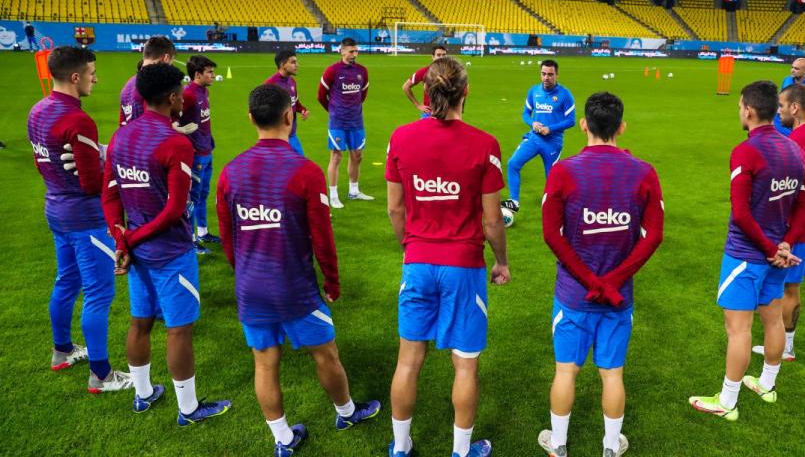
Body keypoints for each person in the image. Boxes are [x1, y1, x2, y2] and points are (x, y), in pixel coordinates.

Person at [217, 84, 381, 456]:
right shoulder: (305, 171)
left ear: (250, 119)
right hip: (294, 287)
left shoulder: (230, 172)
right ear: (289, 117)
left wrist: (241, 270)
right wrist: (333, 281)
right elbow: (322, 238)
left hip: (250, 285)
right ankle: (347, 412)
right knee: (325, 353)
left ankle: (283, 439)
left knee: (265, 363)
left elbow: (228, 237)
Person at [384, 57, 509, 457]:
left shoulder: (400, 138)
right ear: (465, 91)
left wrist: (411, 247)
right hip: (463, 268)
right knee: (465, 364)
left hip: (417, 263)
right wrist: (502, 261)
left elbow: (395, 209)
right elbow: (492, 222)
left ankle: (401, 448)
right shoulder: (485, 144)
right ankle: (461, 451)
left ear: (427, 92)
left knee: (408, 361)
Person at [102, 62, 231, 424]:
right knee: (178, 330)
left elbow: (109, 194)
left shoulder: (120, 137)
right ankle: (188, 409)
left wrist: (122, 239)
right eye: (181, 94)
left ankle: (143, 394)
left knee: (139, 322)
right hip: (171, 251)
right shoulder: (177, 143)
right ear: (174, 97)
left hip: (137, 252)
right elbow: (176, 209)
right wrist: (131, 238)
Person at [538, 92, 664, 457]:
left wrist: (592, 282)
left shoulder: (563, 170)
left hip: (574, 294)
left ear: (583, 125)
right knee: (612, 373)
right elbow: (654, 235)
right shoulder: (644, 171)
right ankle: (610, 447)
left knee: (566, 371)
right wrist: (610, 282)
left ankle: (558, 444)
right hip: (617, 296)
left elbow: (551, 234)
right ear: (621, 128)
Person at [689, 80, 804, 421]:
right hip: (777, 256)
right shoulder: (794, 149)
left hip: (747, 255)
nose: (739, 111)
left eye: (740, 107)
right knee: (773, 321)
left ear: (750, 111)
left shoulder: (746, 151)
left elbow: (740, 213)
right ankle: (766, 384)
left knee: (738, 330)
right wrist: (785, 245)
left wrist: (771, 248)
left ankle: (727, 401)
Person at [27, 46, 132, 393]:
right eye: (91, 73)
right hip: (85, 218)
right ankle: (101, 375)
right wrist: (107, 164)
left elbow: (42, 161)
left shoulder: (37, 110)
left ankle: (62, 351)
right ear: (75, 77)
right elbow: (91, 184)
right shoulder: (77, 119)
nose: (96, 78)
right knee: (99, 294)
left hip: (55, 210)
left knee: (66, 282)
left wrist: (96, 152)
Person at [753, 83, 805, 363]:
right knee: (791, 288)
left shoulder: (799, 140)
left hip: (800, 227)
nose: (779, 112)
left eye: (782, 107)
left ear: (795, 108)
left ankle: (785, 346)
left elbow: (792, 188)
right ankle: (786, 344)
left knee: (788, 288)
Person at [502, 60, 576, 216]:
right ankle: (513, 202)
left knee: (552, 178)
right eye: (543, 74)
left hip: (553, 143)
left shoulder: (564, 94)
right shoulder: (534, 91)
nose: (546, 77)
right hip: (534, 139)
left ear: (557, 75)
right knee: (512, 164)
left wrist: (551, 129)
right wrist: (532, 123)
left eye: (550, 74)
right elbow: (525, 114)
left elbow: (571, 121)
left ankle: (553, 207)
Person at [318, 38, 372, 208]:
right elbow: (321, 96)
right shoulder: (332, 71)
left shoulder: (362, 71)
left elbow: (363, 94)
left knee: (357, 155)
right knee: (336, 156)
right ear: (341, 51)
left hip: (356, 121)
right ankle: (333, 194)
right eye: (350, 51)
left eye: (356, 51)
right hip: (338, 121)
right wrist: (334, 111)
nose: (354, 55)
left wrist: (354, 109)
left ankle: (354, 191)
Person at [181, 56, 219, 254]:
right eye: (209, 72)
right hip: (195, 155)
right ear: (197, 75)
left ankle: (203, 232)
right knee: (192, 198)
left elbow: (204, 120)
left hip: (207, 151)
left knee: (203, 194)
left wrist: (209, 140)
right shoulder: (187, 95)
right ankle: (191, 238)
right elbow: (174, 121)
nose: (213, 75)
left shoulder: (204, 91)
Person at [120, 37, 175, 126]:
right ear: (166, 58)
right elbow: (155, 128)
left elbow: (122, 125)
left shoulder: (127, 86)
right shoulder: (157, 85)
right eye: (171, 63)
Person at [265, 50, 310, 155]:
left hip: (292, 135)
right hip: (277, 138)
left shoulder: (292, 81)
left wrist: (303, 110)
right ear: (282, 65)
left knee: (301, 167)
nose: (297, 65)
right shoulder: (271, 84)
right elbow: (261, 111)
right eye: (293, 62)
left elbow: (295, 103)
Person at [772, 58, 805, 137]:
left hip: (798, 120)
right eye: (792, 67)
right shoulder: (787, 80)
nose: (792, 70)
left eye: (796, 68)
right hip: (784, 117)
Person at [401, 45, 448, 118]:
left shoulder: (452, 72)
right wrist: (417, 105)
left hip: (446, 114)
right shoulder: (424, 71)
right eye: (438, 55)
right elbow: (405, 86)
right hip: (429, 113)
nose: (441, 57)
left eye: (444, 55)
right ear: (433, 57)